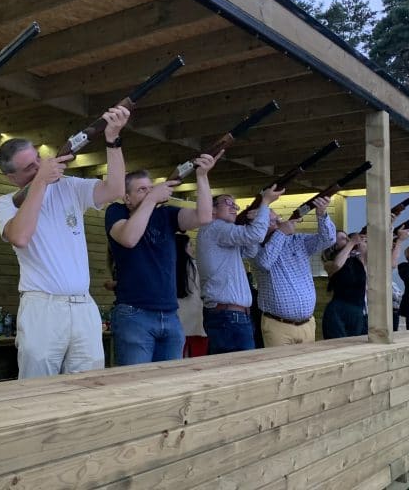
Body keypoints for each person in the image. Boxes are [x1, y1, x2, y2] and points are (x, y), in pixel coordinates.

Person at [0, 106, 130, 379]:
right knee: (37, 387)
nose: (38, 167)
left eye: (38, 160)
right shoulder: (6, 203)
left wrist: (113, 140)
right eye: (29, 168)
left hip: (83, 304)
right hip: (42, 306)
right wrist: (41, 183)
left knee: (89, 385)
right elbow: (20, 236)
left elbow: (115, 189)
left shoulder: (69, 186)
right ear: (12, 178)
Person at [104, 154, 216, 366]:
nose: (148, 193)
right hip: (134, 312)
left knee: (170, 380)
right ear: (127, 198)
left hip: (170, 313)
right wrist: (152, 199)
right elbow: (129, 238)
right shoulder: (116, 211)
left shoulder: (166, 215)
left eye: (150, 188)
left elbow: (203, 217)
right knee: (136, 380)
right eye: (141, 189)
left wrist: (202, 176)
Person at [196, 186, 284, 354]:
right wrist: (264, 203)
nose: (234, 207)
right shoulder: (216, 227)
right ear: (212, 210)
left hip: (229, 315)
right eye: (227, 202)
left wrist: (249, 221)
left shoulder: (220, 232)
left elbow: (250, 251)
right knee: (241, 366)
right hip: (229, 316)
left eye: (235, 205)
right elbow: (256, 235)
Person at [251, 197, 335, 347]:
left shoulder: (297, 240)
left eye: (278, 219)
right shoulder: (254, 246)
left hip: (307, 323)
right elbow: (264, 262)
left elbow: (328, 239)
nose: (279, 223)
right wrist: (281, 233)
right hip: (277, 325)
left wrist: (321, 214)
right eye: (272, 221)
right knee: (280, 362)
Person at [321, 231, 368, 339]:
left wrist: (363, 241)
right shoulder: (329, 263)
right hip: (338, 311)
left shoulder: (358, 260)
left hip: (357, 311)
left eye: (347, 237)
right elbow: (337, 265)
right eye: (342, 238)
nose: (347, 239)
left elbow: (376, 254)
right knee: (337, 345)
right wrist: (352, 242)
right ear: (334, 244)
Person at [175, 234, 208, 357]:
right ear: (183, 247)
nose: (192, 248)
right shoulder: (198, 267)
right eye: (190, 245)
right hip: (197, 321)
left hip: (176, 322)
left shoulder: (169, 267)